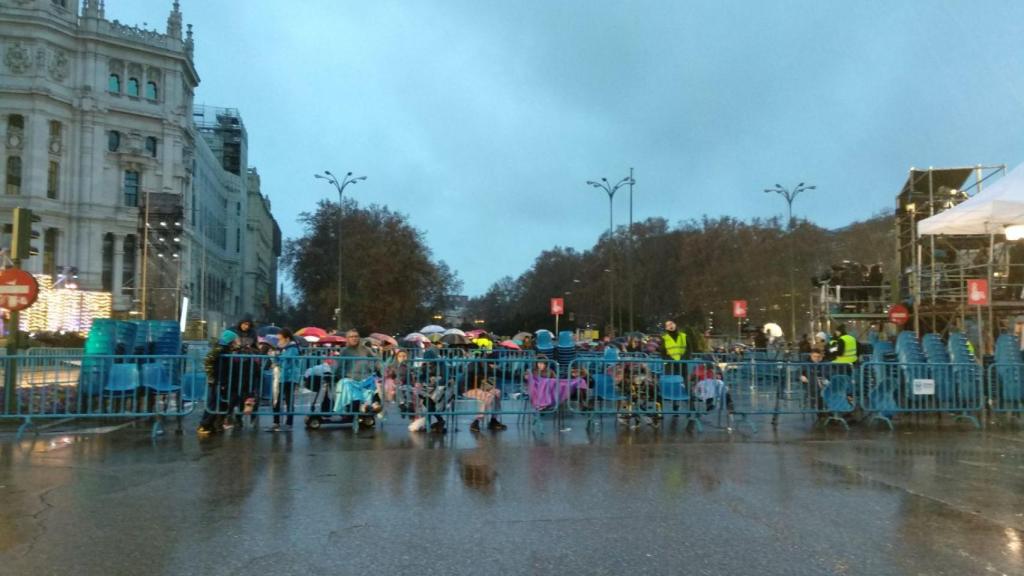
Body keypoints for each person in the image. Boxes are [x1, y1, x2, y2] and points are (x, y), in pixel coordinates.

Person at [268, 329, 301, 431]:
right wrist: (274, 356)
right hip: (281, 377)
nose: (279, 341)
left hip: (290, 377)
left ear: (287, 338)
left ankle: (289, 423)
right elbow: (277, 360)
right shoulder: (281, 348)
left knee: (289, 400)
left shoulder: (293, 348)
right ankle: (276, 422)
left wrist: (278, 357)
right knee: (276, 399)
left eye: (280, 339)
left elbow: (287, 360)